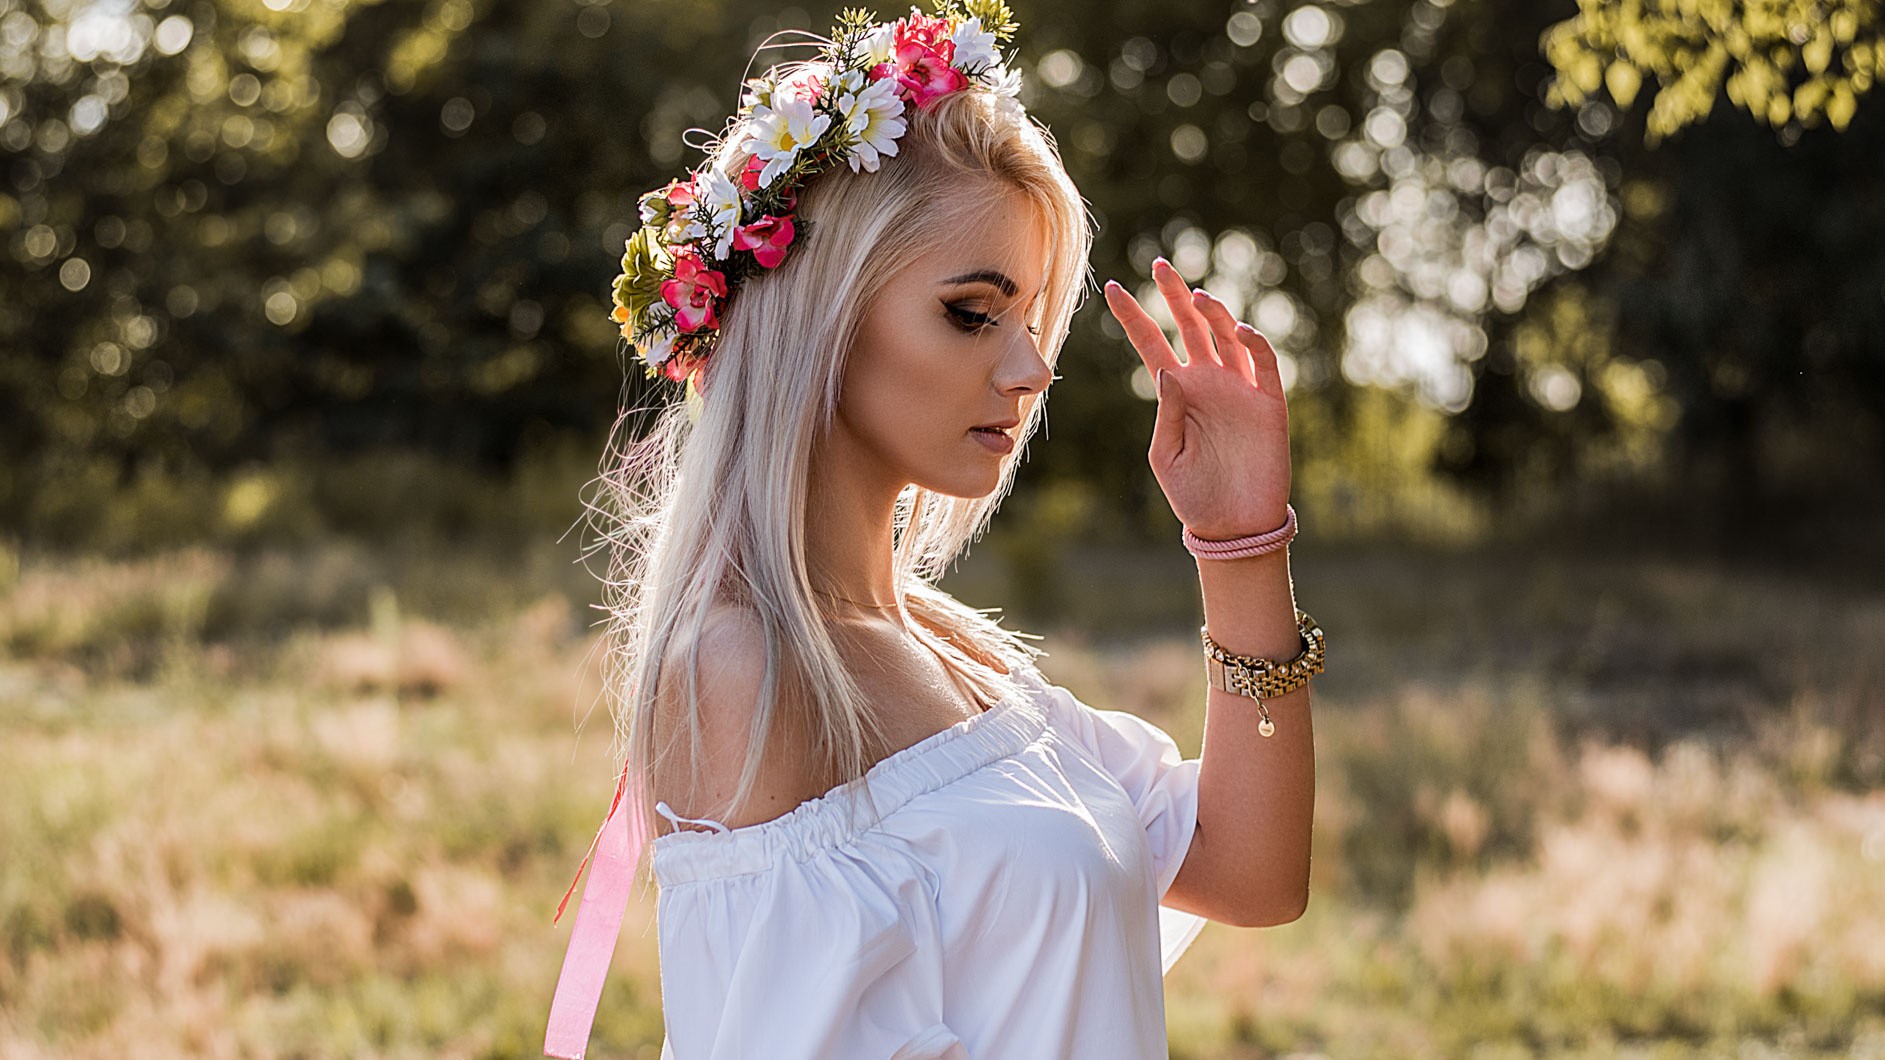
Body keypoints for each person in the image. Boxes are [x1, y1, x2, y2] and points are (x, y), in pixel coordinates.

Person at [545, 5, 1324, 1058]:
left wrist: (1241, 544)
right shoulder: (744, 669)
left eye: (1031, 318)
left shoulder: (957, 649)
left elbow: (1250, 871)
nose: (1030, 368)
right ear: (818, 313)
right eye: (971, 311)